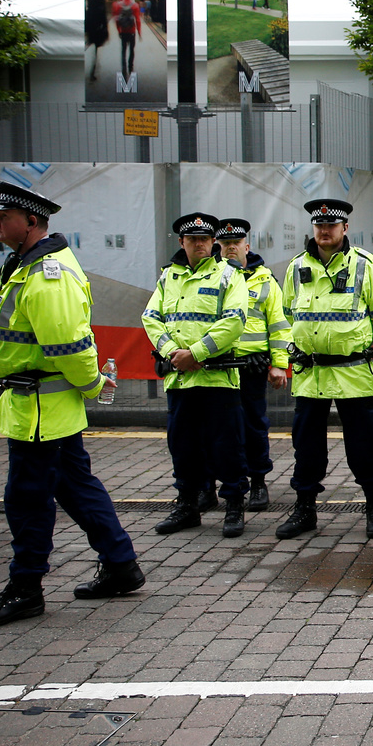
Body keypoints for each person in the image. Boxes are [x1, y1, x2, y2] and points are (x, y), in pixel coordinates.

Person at [0, 183, 142, 629]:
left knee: (26, 500)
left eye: (2, 218)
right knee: (76, 486)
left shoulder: (47, 274)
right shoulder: (22, 266)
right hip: (37, 406)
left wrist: (93, 384)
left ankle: (25, 589)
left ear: (31, 221)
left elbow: (71, 346)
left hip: (40, 409)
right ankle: (121, 565)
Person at [277, 199, 373, 540]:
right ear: (313, 229)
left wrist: (353, 343)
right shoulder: (297, 266)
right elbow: (289, 312)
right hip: (310, 373)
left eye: (331, 225)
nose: (324, 231)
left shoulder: (365, 265)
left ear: (345, 228)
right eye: (319, 225)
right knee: (307, 446)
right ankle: (305, 509)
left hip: (352, 371)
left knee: (364, 444)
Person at [143, 213, 252, 538]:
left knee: (227, 446)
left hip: (217, 379)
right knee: (183, 446)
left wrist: (195, 354)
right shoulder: (168, 278)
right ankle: (187, 506)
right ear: (182, 242)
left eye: (206, 239)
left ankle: (234, 507)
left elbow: (235, 321)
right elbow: (151, 317)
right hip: (181, 380)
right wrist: (172, 354)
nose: (201, 244)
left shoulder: (228, 275)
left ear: (213, 242)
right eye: (193, 239)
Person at [216, 219, 291, 512]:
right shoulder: (211, 278)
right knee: (220, 429)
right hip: (219, 366)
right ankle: (224, 482)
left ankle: (258, 481)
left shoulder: (265, 280)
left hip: (251, 366)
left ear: (247, 246)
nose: (230, 248)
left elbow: (280, 324)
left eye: (236, 243)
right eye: (225, 244)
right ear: (217, 247)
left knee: (254, 426)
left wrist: (279, 365)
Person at [112, 0, 142, 79]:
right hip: (132, 31)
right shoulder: (135, 5)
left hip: (123, 31)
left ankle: (124, 67)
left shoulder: (118, 5)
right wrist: (139, 32)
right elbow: (138, 20)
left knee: (123, 50)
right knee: (131, 50)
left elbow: (117, 19)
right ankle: (130, 66)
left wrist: (119, 30)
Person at [84, 0, 109, 82]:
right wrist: (106, 32)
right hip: (97, 32)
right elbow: (104, 21)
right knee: (94, 53)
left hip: (90, 32)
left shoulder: (89, 10)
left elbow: (87, 22)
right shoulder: (101, 9)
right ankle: (92, 72)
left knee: (87, 45)